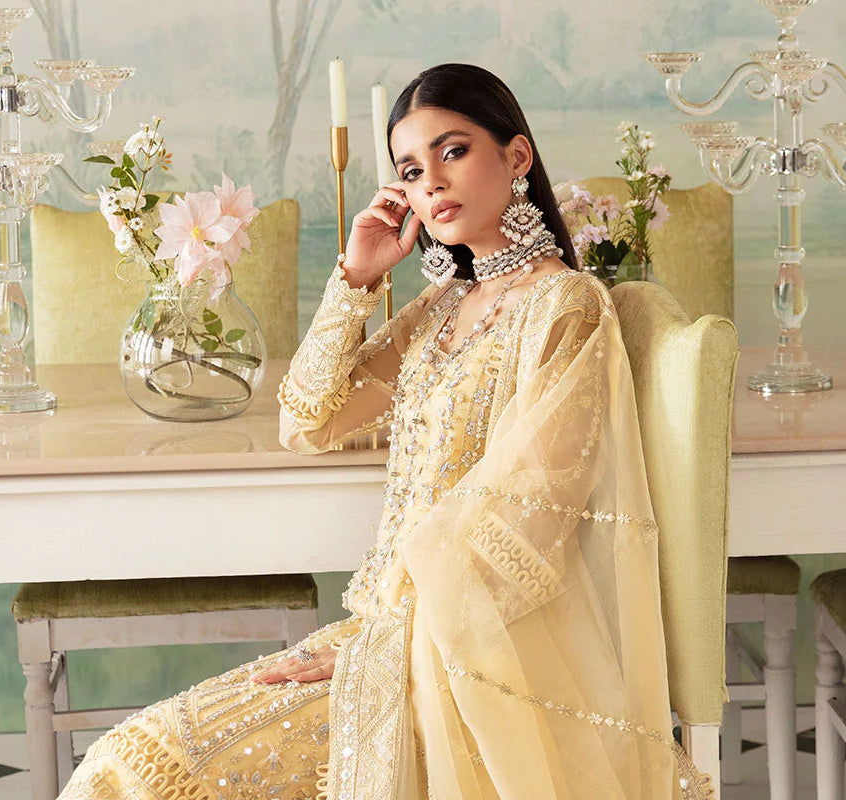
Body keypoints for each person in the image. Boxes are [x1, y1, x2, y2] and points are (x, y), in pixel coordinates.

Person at [58, 62, 711, 800]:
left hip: (462, 660)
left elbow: (524, 527)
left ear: (517, 158)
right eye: (410, 167)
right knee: (131, 759)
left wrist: (392, 650)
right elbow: (307, 420)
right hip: (382, 641)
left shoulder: (566, 309)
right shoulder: (441, 308)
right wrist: (356, 277)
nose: (431, 181)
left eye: (453, 151)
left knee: (148, 776)